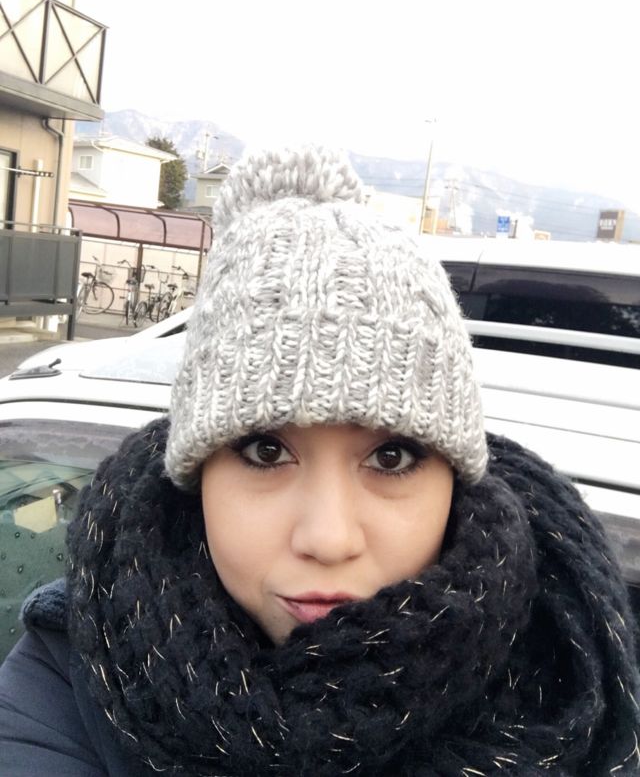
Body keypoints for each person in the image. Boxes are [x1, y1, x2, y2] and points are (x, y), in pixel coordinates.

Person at [0, 146, 638, 776]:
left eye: (392, 456)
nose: (328, 539)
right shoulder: (72, 673)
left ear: (456, 483)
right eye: (265, 450)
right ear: (198, 477)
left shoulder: (574, 659)